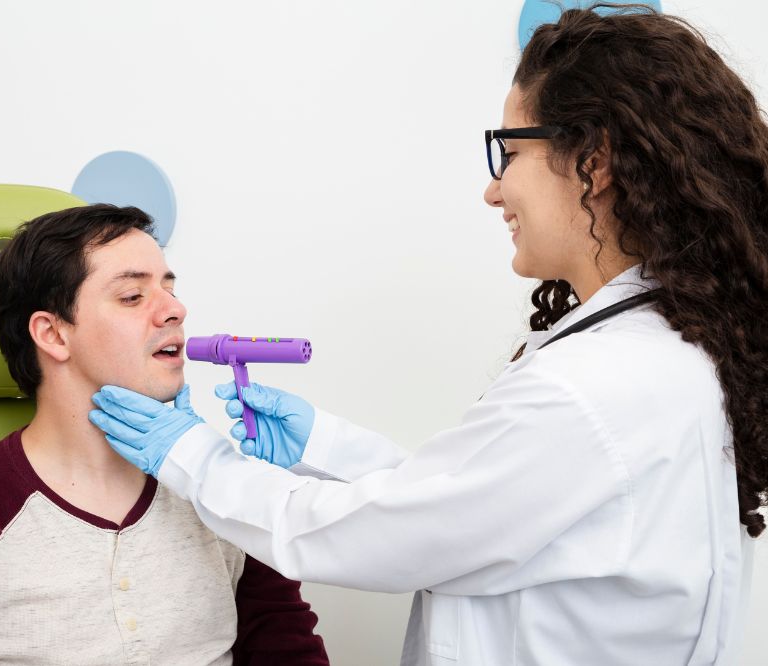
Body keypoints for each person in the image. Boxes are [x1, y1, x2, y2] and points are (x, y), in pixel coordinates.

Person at [89, 7, 768, 666]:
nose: (493, 191)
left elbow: (393, 536)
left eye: (510, 152)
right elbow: (472, 510)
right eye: (128, 294)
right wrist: (324, 446)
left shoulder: (593, 390)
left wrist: (196, 458)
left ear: (594, 161)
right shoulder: (651, 355)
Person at [0, 204, 329, 665]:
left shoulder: (223, 493)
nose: (175, 309)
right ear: (53, 334)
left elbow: (288, 650)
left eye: (169, 289)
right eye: (132, 296)